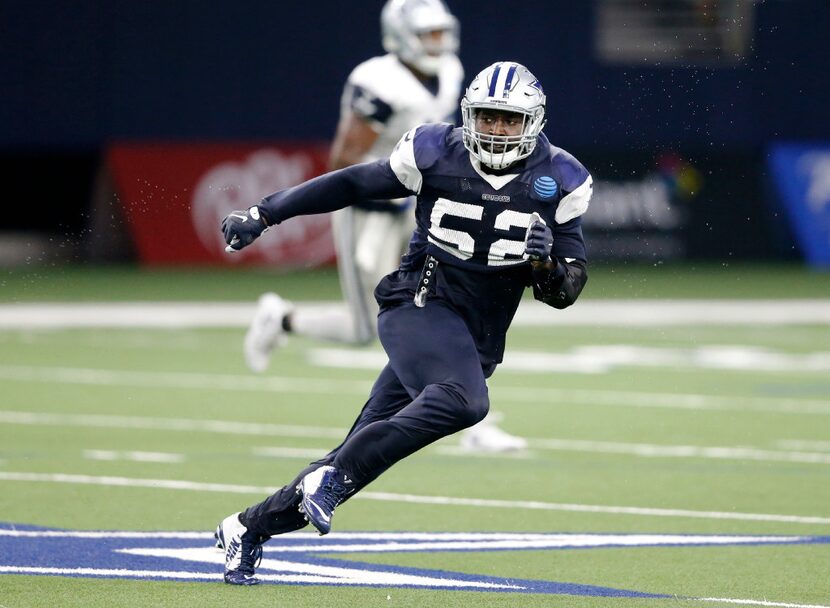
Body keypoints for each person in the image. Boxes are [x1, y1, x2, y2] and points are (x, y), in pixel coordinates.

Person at [217, 60, 592, 585]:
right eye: (487, 117)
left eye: (508, 120)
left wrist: (545, 265)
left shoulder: (562, 178)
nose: (496, 129)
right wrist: (265, 212)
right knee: (467, 403)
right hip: (419, 301)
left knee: (351, 458)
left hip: (476, 334)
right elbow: (351, 183)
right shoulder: (436, 151)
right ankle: (328, 482)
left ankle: (246, 528)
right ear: (469, 115)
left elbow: (566, 290)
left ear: (533, 121)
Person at [243, 0, 526, 453]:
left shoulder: (450, 71)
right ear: (401, 34)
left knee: (439, 310)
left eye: (440, 32)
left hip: (418, 208)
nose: (438, 43)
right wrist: (403, 188)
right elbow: (344, 161)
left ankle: (469, 421)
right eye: (428, 33)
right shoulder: (377, 81)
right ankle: (281, 320)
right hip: (370, 211)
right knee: (375, 326)